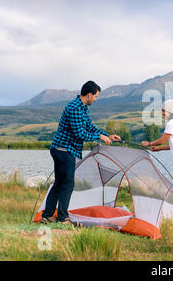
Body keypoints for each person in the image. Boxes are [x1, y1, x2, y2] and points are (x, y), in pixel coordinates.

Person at [41, 81, 121, 225]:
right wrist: (99, 137)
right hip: (64, 150)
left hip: (64, 150)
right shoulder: (74, 107)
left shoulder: (83, 108)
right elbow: (80, 133)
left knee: (59, 183)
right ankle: (62, 218)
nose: (95, 99)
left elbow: (89, 127)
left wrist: (107, 135)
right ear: (89, 95)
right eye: (95, 96)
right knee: (67, 184)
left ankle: (47, 216)